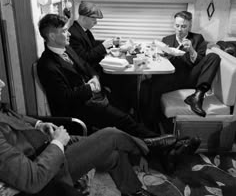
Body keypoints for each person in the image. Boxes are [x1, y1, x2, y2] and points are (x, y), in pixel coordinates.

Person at [0, 77, 162, 196]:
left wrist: (38, 124)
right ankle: (154, 148)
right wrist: (57, 142)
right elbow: (32, 179)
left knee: (113, 152)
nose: (2, 84)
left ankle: (134, 191)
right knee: (111, 135)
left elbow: (15, 117)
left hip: (45, 143)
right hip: (47, 167)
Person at [37, 13, 178, 149]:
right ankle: (165, 143)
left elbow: (85, 65)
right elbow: (64, 99)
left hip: (93, 97)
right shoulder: (47, 65)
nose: (69, 34)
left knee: (125, 103)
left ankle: (154, 142)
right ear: (52, 36)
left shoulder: (66, 48)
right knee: (124, 119)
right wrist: (89, 88)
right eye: (64, 31)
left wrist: (94, 77)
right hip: (80, 107)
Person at [143, 11, 221, 128]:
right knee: (147, 85)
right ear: (174, 25)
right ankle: (151, 124)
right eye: (177, 26)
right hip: (173, 79)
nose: (180, 30)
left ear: (189, 26)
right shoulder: (166, 40)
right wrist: (163, 54)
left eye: (184, 26)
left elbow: (201, 62)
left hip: (192, 77)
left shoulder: (198, 38)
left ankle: (197, 96)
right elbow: (161, 62)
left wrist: (191, 50)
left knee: (214, 57)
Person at [68, 1, 137, 112]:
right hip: (91, 73)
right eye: (93, 19)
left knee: (129, 77)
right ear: (84, 17)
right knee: (126, 79)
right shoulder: (73, 34)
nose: (96, 22)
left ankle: (127, 108)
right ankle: (124, 110)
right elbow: (85, 57)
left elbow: (92, 45)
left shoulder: (84, 31)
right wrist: (104, 46)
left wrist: (111, 42)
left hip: (96, 68)